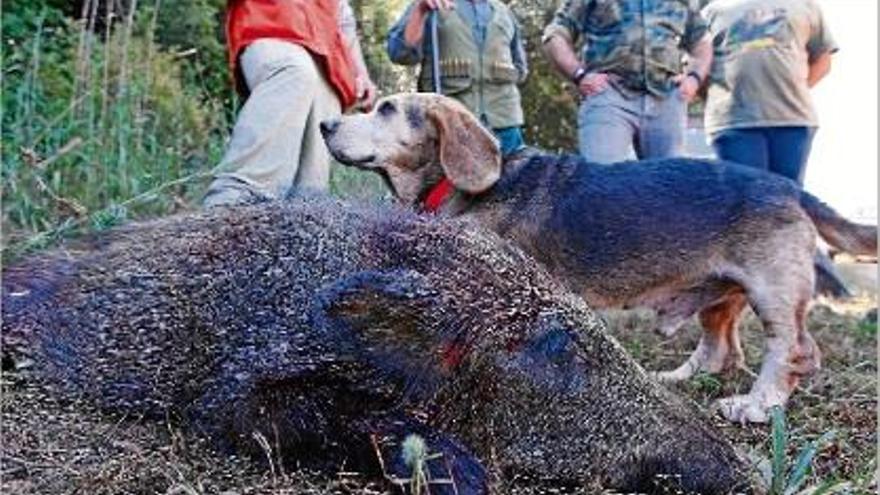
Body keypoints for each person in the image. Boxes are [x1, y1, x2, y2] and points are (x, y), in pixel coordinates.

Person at [701, 0, 848, 297]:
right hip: (733, 122)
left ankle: (800, 284)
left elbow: (822, 59)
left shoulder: (805, 5)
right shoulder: (712, 11)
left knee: (788, 206)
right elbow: (700, 66)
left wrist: (790, 90)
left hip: (792, 120)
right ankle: (745, 289)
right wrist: (722, 100)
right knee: (744, 208)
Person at [203, 0, 377, 207]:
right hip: (270, 25)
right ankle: (231, 205)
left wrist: (360, 72)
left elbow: (343, 15)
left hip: (328, 58)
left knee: (310, 193)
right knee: (296, 72)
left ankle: (301, 221)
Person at [542, 0, 713, 163]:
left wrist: (694, 78)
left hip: (666, 99)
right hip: (609, 97)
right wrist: (579, 74)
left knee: (669, 187)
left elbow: (702, 41)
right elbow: (555, 34)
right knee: (602, 182)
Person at [386, 0, 528, 157]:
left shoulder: (504, 13)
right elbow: (400, 53)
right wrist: (420, 11)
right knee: (452, 180)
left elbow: (520, 69)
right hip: (449, 124)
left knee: (515, 179)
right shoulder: (432, 5)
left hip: (505, 125)